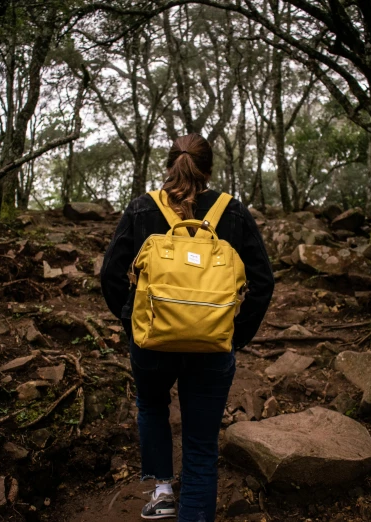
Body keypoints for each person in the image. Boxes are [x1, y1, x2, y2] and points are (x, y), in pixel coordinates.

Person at [100, 133, 275, 521]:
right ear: (209, 169)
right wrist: (235, 333)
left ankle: (162, 491)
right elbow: (263, 282)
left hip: (151, 344)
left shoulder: (142, 209)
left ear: (169, 164)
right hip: (212, 348)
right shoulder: (233, 212)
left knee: (152, 406)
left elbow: (110, 275)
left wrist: (133, 324)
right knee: (200, 444)